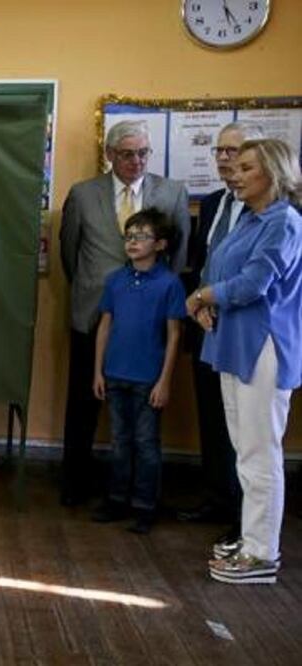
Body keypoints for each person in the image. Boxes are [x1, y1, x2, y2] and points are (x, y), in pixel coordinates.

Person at [58, 119, 190, 506]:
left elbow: (179, 257)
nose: (136, 161)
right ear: (110, 155)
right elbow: (70, 254)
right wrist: (91, 289)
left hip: (149, 320)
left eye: (143, 153)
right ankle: (75, 484)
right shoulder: (83, 194)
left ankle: (138, 494)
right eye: (128, 154)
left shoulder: (172, 192)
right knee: (83, 403)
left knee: (145, 415)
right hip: (94, 313)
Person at [188, 138, 302, 584]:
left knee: (260, 452)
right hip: (233, 342)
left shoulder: (285, 222)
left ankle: (261, 553)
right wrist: (207, 296)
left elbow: (253, 283)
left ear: (274, 174)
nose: (234, 172)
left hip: (263, 346)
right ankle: (253, 537)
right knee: (243, 449)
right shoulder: (250, 219)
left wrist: (201, 296)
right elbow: (219, 270)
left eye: (247, 167)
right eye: (235, 165)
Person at [177, 122, 264, 534]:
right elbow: (200, 263)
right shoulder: (212, 204)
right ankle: (219, 497)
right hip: (206, 325)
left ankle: (248, 516)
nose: (226, 159)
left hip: (247, 331)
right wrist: (197, 306)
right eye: (220, 151)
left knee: (246, 429)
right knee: (213, 418)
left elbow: (255, 279)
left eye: (236, 152)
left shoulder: (271, 211)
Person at [90, 209, 187, 534]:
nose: (132, 242)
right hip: (115, 373)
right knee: (120, 442)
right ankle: (117, 499)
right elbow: (105, 325)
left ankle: (145, 505)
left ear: (160, 244)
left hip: (148, 379)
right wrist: (98, 372)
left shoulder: (170, 284)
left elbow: (174, 335)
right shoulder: (115, 280)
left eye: (141, 236)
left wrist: (164, 381)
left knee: (146, 443)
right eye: (129, 235)